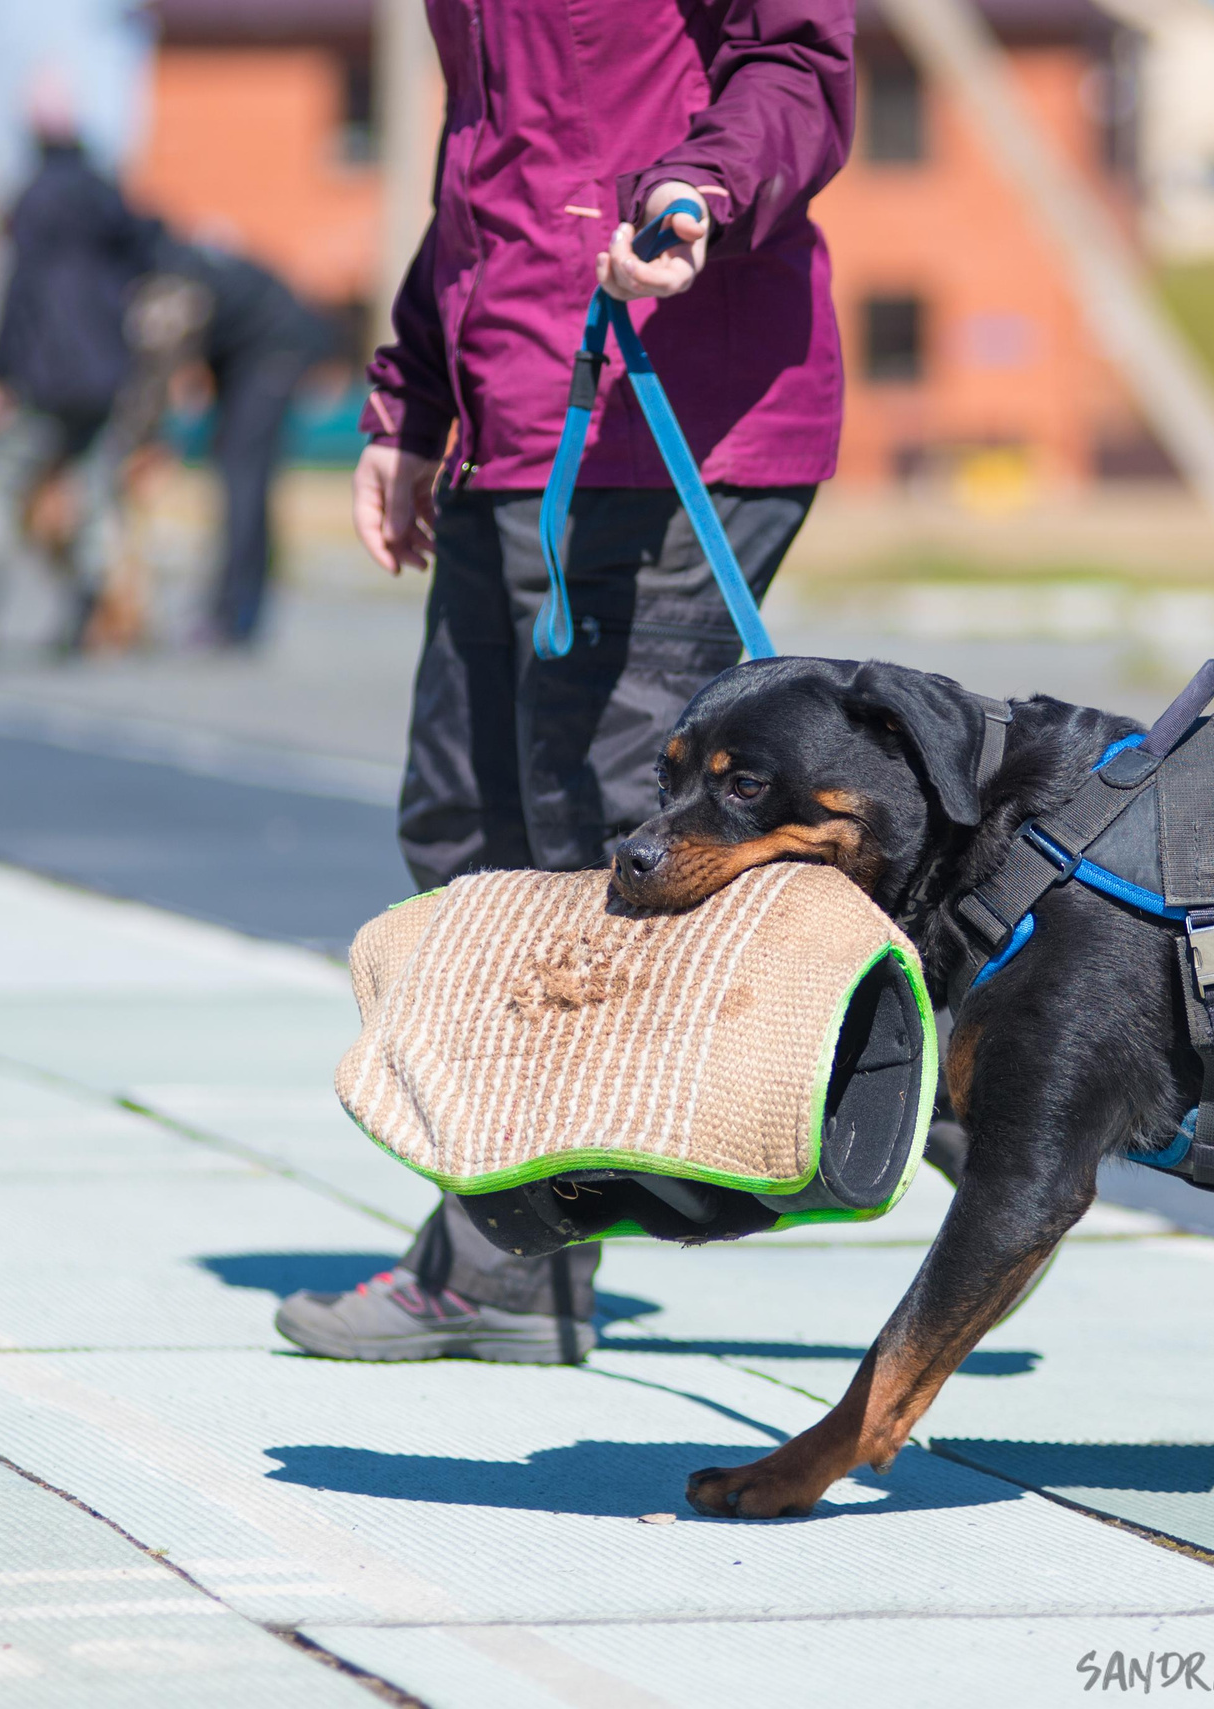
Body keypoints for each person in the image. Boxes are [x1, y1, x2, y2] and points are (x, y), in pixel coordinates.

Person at [274, 0, 856, 1365]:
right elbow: (490, 159)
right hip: (522, 413)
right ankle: (508, 1253)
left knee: (608, 848)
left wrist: (703, 186)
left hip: (672, 403)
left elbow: (797, 60)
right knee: (464, 828)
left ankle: (952, 1105)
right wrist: (413, 398)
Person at [0, 87, 146, 657]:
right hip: (103, 376)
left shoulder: (33, 200)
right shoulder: (109, 199)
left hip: (42, 376)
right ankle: (89, 610)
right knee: (93, 492)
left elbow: (18, 296)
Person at [153, 236, 335, 648]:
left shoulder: (171, 279)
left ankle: (238, 613)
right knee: (234, 469)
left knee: (244, 477)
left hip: (274, 347)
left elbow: (167, 360)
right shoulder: (178, 263)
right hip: (243, 354)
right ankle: (232, 606)